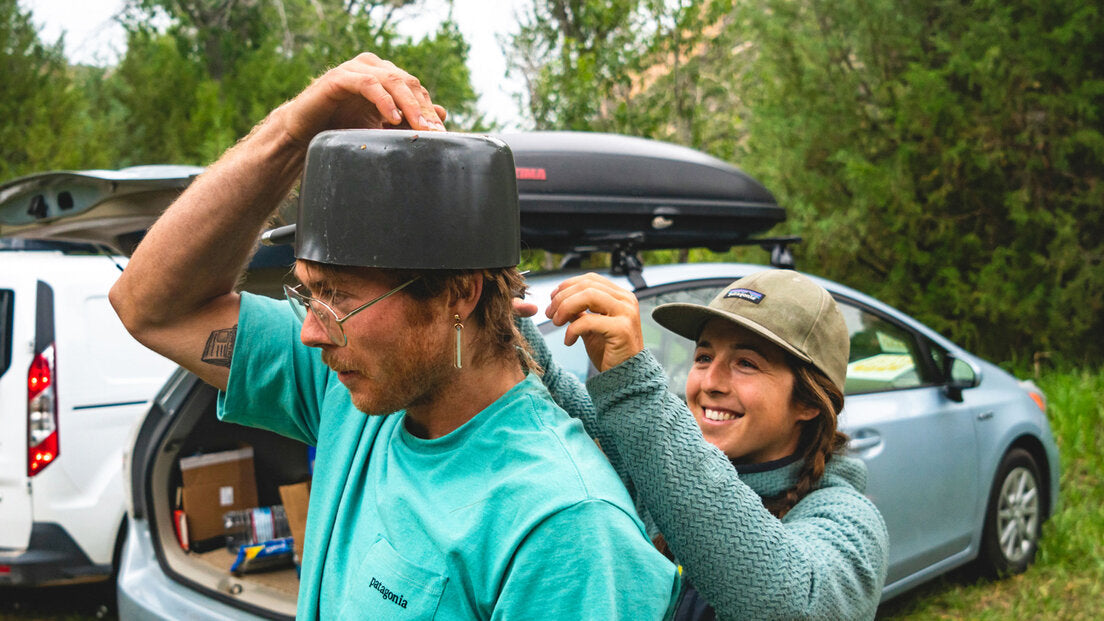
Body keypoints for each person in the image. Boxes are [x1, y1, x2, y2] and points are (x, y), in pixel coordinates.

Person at [110, 54, 680, 619]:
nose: (311, 332)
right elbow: (150, 308)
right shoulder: (357, 393)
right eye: (308, 293)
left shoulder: (563, 525)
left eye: (339, 296)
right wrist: (292, 132)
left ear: (461, 294)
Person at [516, 269, 889, 620]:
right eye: (704, 357)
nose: (710, 381)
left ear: (809, 402)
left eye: (746, 363)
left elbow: (788, 604)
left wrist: (634, 391)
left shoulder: (850, 521)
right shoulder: (659, 463)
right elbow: (559, 400)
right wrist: (506, 317)